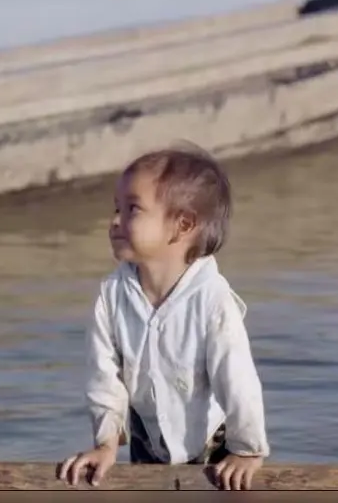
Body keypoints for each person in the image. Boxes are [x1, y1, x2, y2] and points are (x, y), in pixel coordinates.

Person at [58, 145, 269, 490]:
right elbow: (104, 377)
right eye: (116, 208)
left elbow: (237, 379)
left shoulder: (211, 299)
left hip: (211, 447)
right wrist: (106, 445)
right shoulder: (112, 295)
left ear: (182, 225)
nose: (114, 221)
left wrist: (248, 450)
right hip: (148, 443)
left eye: (132, 209)